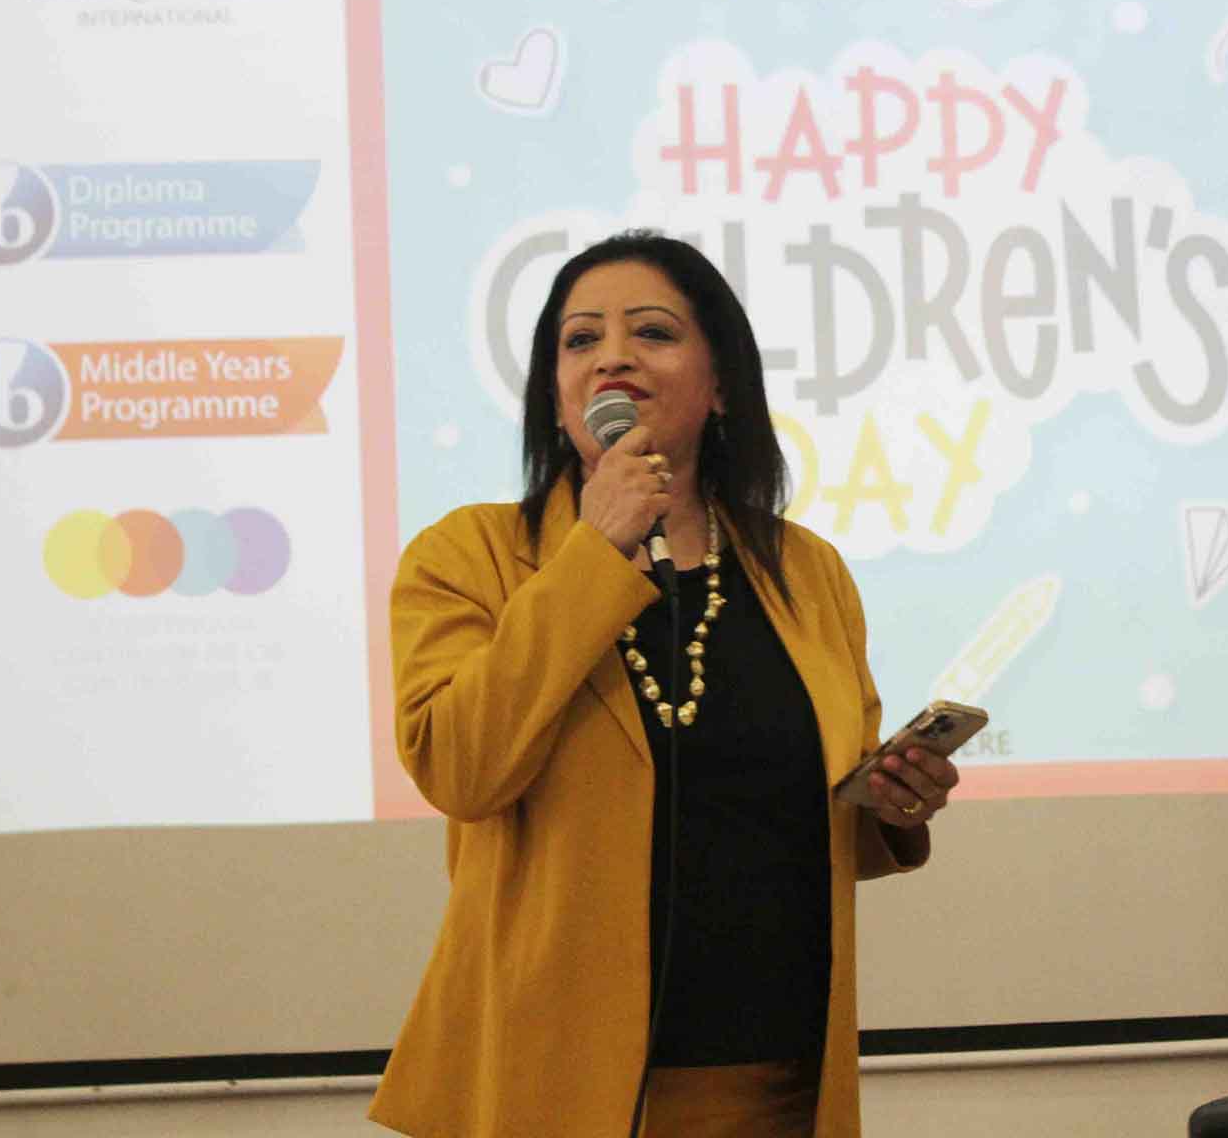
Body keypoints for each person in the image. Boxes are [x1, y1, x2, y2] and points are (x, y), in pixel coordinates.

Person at [369, 231, 959, 1138]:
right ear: (556, 394)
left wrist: (890, 805)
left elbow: (810, 813)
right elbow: (460, 768)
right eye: (580, 340)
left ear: (720, 386)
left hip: (777, 1082)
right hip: (554, 1085)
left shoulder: (806, 571)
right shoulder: (470, 556)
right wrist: (593, 551)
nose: (612, 357)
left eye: (651, 332)